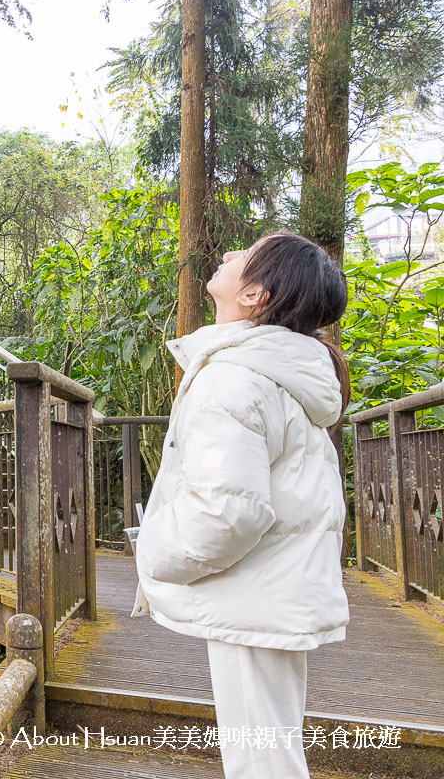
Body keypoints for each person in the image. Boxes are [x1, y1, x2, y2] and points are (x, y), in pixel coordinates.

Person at [130, 230, 352, 779]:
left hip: (256, 592)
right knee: (271, 749)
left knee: (261, 760)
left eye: (244, 255)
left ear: (256, 295)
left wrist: (152, 551)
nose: (227, 254)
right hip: (274, 589)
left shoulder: (233, 376)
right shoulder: (282, 373)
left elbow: (228, 512)